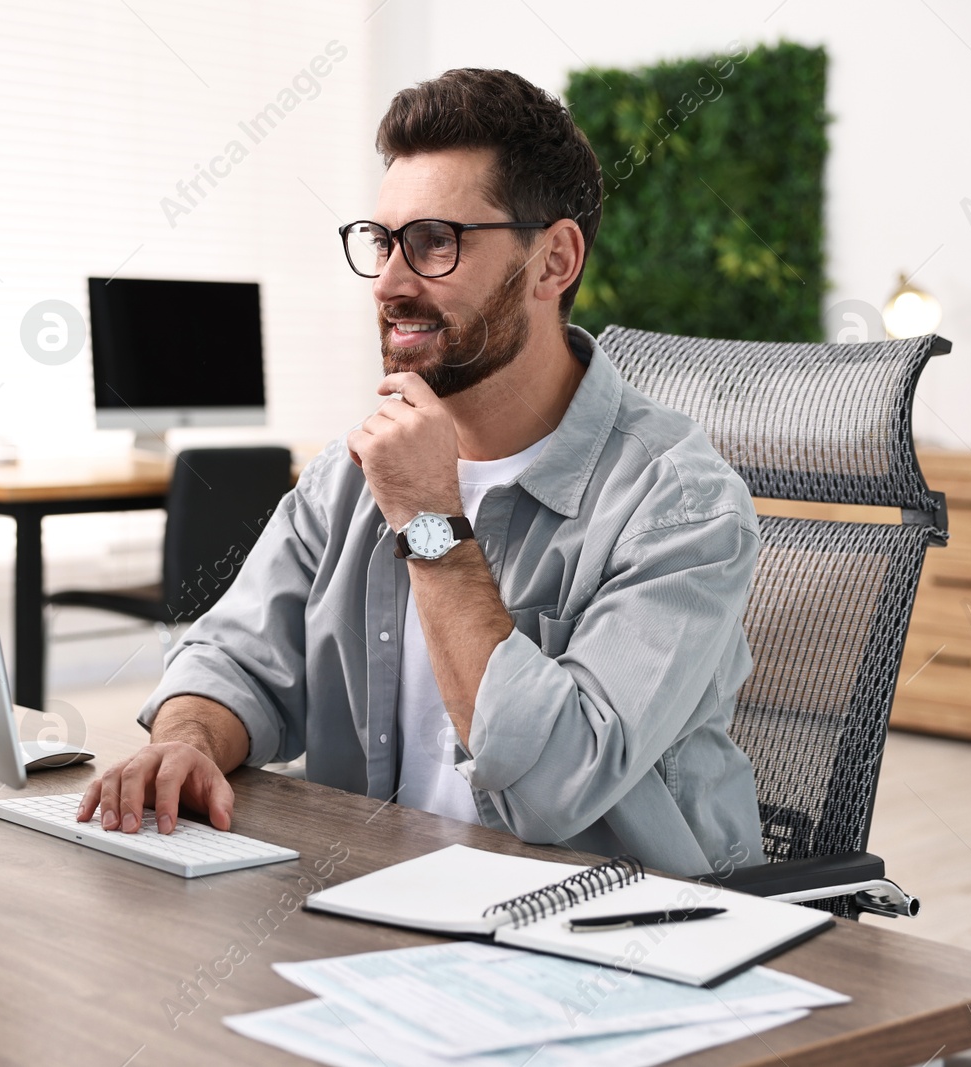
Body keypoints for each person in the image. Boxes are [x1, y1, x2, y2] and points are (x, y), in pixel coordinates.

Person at [78, 67, 763, 876]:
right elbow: (233, 659)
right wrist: (189, 740)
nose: (391, 284)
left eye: (435, 242)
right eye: (382, 241)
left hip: (608, 942)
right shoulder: (350, 473)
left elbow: (555, 784)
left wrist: (430, 520)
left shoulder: (679, 503)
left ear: (554, 262)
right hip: (373, 911)